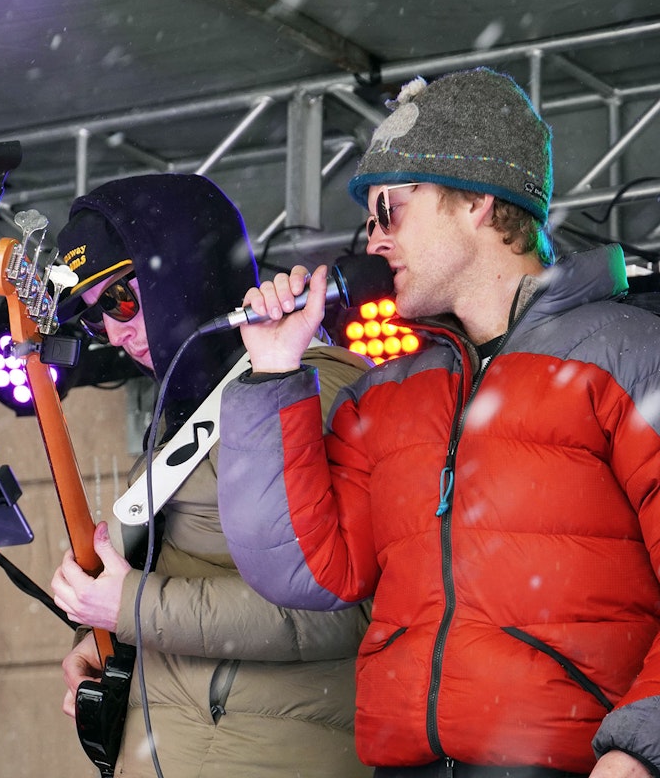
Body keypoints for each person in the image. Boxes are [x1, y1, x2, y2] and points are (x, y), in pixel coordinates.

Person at [217, 66, 660, 777]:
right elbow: (306, 572)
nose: (372, 241)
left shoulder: (628, 356)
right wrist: (272, 372)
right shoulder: (385, 393)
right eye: (368, 221)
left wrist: (641, 748)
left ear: (479, 202)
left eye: (390, 210)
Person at [48, 173, 372, 777]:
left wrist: (129, 607)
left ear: (182, 272)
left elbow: (338, 614)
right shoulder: (171, 424)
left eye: (121, 298)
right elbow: (162, 594)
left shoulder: (318, 385)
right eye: (96, 321)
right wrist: (96, 646)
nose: (115, 332)